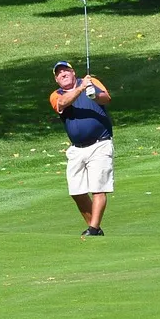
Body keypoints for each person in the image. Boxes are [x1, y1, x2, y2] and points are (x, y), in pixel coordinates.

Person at [49, 60, 113, 236]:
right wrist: (81, 89)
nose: (63, 74)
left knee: (98, 188)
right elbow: (62, 103)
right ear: (56, 80)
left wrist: (94, 95)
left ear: (73, 72)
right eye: (59, 73)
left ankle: (93, 229)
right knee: (76, 191)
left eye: (66, 71)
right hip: (77, 149)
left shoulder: (91, 81)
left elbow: (106, 98)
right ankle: (95, 227)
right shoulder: (56, 94)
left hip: (100, 143)